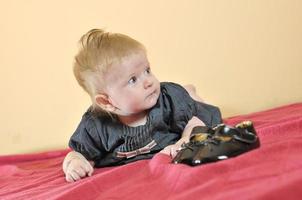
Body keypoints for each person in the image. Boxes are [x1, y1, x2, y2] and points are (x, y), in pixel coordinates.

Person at [63, 29, 222, 182]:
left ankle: (190, 94)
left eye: (147, 70)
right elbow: (79, 153)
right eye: (133, 80)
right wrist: (76, 164)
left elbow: (194, 121)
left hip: (189, 109)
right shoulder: (96, 126)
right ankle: (189, 92)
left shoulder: (167, 102)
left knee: (196, 106)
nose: (148, 81)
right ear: (106, 102)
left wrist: (186, 140)